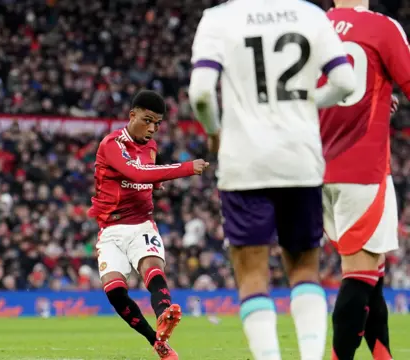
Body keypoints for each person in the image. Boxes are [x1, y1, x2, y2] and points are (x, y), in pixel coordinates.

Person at [188, 0, 357, 359]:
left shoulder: (219, 19)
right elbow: (345, 81)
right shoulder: (311, 14)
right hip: (300, 157)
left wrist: (215, 132)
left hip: (244, 162)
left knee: (252, 275)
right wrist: (312, 103)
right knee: (304, 270)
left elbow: (201, 92)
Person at [318, 1, 410, 359]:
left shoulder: (312, 26)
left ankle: (383, 356)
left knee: (372, 270)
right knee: (359, 274)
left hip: (317, 169)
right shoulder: (382, 27)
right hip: (362, 166)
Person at [88, 90, 209, 360]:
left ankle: (165, 313)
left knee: (151, 268)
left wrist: (157, 184)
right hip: (110, 230)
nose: (153, 128)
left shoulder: (150, 148)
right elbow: (134, 172)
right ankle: (157, 342)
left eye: (157, 123)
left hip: (141, 223)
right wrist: (186, 167)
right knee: (115, 293)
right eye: (148, 120)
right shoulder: (112, 144)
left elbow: (146, 178)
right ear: (132, 116)